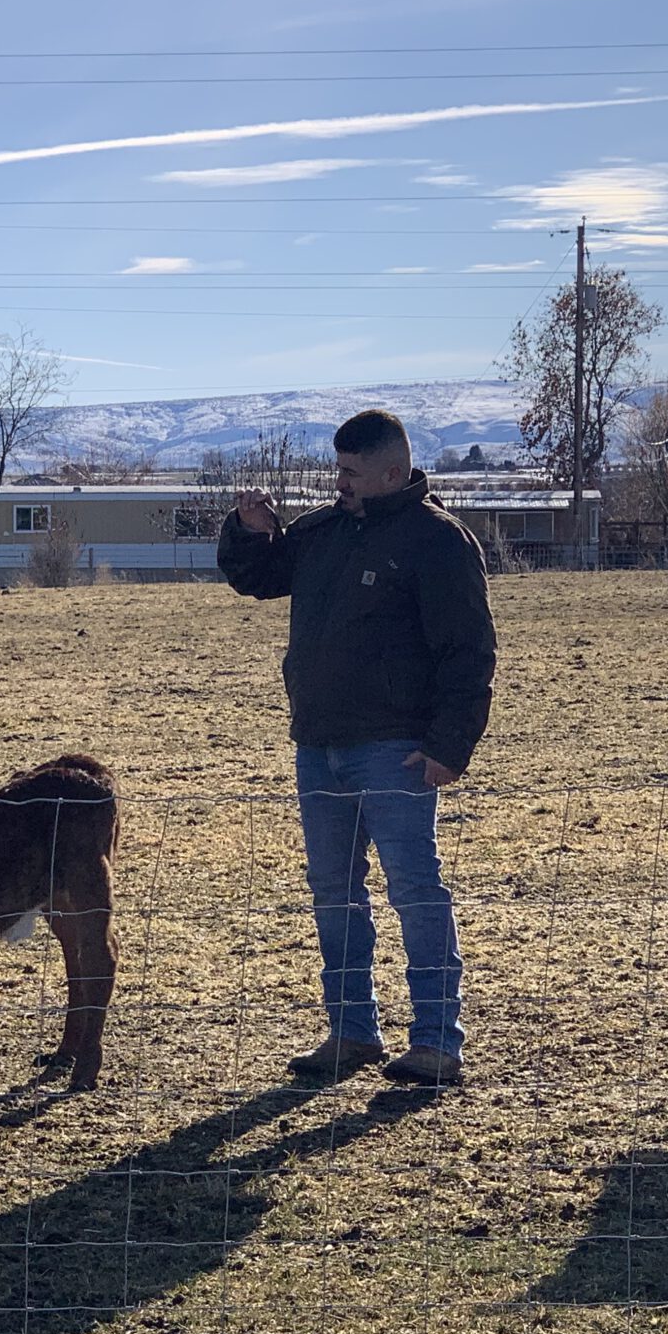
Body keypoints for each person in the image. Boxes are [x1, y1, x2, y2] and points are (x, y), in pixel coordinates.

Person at [217, 409, 496, 1088]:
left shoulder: (439, 543)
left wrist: (448, 747)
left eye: (351, 472)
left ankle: (436, 1040)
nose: (337, 482)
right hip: (317, 744)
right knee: (334, 894)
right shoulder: (323, 531)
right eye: (336, 469)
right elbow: (258, 577)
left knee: (415, 891)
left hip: (396, 750)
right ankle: (351, 1031)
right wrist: (246, 533)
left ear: (392, 472)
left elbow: (469, 653)